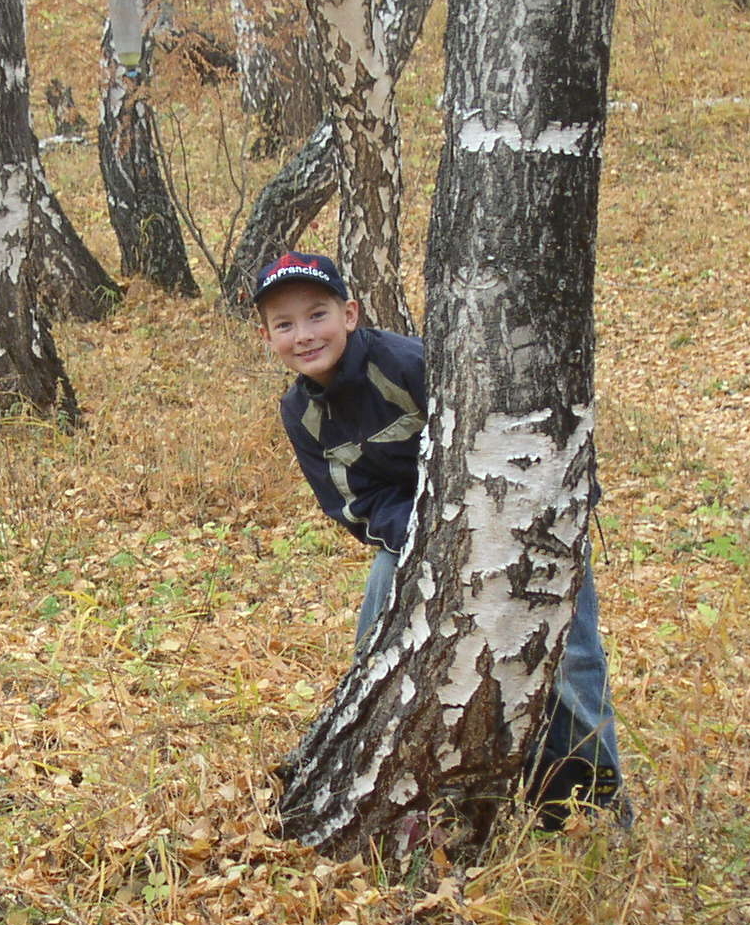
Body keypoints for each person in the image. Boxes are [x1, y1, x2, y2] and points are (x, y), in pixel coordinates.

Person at [253, 251, 626, 826]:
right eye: (285, 324)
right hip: (418, 534)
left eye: (317, 315)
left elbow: (498, 425)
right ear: (268, 336)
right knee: (377, 634)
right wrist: (431, 535)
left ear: (350, 314)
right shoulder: (301, 413)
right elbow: (352, 503)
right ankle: (363, 762)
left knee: (569, 656)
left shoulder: (406, 364)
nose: (304, 335)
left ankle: (591, 806)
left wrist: (534, 510)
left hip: (526, 515)